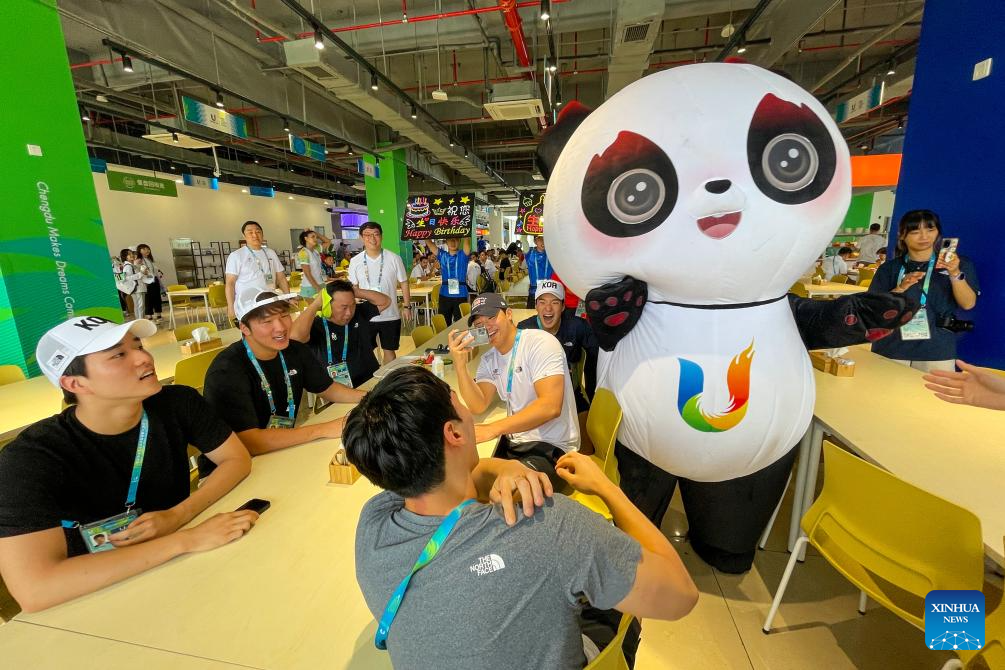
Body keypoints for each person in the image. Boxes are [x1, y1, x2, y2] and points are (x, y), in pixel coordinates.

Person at [346, 366, 698, 670]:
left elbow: (452, 477)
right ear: (453, 433)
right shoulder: (545, 523)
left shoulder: (371, 525)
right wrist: (607, 488)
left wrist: (506, 468)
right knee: (615, 607)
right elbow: (681, 595)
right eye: (459, 403)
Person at [0, 316, 256, 612]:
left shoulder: (177, 403)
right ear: (75, 383)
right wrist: (184, 540)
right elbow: (36, 589)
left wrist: (177, 516)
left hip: (186, 570)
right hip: (95, 596)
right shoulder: (31, 458)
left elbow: (236, 458)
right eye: (119, 355)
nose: (144, 358)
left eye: (139, 346)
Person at [203, 287, 363, 470]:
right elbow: (249, 442)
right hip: (237, 467)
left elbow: (328, 388)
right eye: (267, 321)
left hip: (281, 451)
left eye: (284, 316)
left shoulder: (294, 350)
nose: (281, 327)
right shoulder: (226, 371)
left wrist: (369, 397)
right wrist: (323, 429)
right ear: (244, 328)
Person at [449, 294, 580, 487]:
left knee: (505, 490)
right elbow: (478, 405)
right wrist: (460, 366)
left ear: (509, 314)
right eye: (479, 324)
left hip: (552, 448)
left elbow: (550, 407)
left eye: (491, 317)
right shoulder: (489, 359)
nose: (486, 326)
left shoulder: (540, 343)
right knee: (462, 476)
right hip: (515, 442)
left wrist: (493, 428)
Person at [868, 209, 979, 372]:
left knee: (933, 390)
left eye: (930, 229)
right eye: (915, 231)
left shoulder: (960, 264)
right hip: (891, 348)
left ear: (938, 233)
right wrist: (901, 288)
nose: (924, 236)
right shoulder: (889, 268)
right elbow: (874, 309)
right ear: (902, 235)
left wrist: (955, 273)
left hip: (937, 350)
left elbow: (968, 304)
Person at [517, 280, 598, 449]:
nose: (548, 308)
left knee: (587, 449)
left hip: (572, 396)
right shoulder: (524, 330)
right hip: (536, 399)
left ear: (563, 307)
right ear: (536, 306)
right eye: (542, 302)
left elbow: (595, 360)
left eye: (554, 302)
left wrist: (593, 398)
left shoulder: (577, 326)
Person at [290, 279, 390, 389]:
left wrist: (354, 292)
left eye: (352, 305)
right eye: (344, 307)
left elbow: (385, 301)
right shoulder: (316, 325)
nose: (349, 313)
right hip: (336, 389)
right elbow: (295, 337)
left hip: (370, 381)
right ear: (328, 305)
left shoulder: (358, 313)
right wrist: (316, 304)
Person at [348, 222, 411, 364]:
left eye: (376, 234)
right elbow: (354, 288)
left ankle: (387, 375)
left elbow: (404, 282)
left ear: (381, 236)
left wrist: (407, 306)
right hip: (366, 315)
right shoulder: (355, 261)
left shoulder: (394, 258)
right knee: (366, 352)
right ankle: (372, 376)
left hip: (390, 314)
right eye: (367, 235)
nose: (372, 238)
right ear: (361, 237)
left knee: (390, 351)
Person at [225, 221, 289, 325]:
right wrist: (231, 307)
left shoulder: (270, 253)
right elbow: (230, 283)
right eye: (250, 232)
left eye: (258, 232)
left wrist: (287, 297)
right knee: (252, 331)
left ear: (262, 234)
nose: (255, 235)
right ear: (244, 236)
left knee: (271, 329)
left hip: (269, 301)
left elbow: (281, 278)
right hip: (247, 305)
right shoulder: (236, 255)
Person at [425, 237, 471, 325]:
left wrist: (466, 235)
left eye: (456, 239)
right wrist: (425, 233)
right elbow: (430, 244)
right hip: (444, 295)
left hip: (461, 295)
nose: (453, 242)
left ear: (460, 241)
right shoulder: (442, 255)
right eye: (450, 239)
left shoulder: (463, 254)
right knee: (444, 324)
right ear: (446, 241)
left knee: (461, 324)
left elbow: (467, 242)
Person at [296, 230, 331, 300]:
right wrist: (316, 287)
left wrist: (315, 233)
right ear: (306, 238)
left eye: (316, 237)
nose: (316, 239)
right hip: (310, 286)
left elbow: (328, 242)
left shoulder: (316, 250)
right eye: (312, 237)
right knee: (314, 307)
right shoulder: (303, 252)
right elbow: (307, 273)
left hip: (320, 283)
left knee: (324, 306)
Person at [117, 248, 148, 322]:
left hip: (139, 288)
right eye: (129, 254)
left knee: (140, 306)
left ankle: (140, 321)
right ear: (125, 256)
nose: (132, 255)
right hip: (137, 289)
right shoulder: (128, 266)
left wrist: (143, 273)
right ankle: (140, 322)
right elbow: (127, 278)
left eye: (132, 253)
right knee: (140, 306)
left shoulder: (131, 265)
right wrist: (141, 273)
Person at [136, 244, 164, 323]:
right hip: (146, 282)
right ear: (139, 251)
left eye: (148, 249)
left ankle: (158, 315)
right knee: (148, 299)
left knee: (157, 298)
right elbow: (139, 272)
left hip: (154, 280)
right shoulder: (138, 260)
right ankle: (149, 317)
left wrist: (159, 274)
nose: (147, 250)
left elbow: (154, 270)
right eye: (144, 249)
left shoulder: (150, 259)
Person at [525, 235, 551, 303]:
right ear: (535, 241)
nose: (543, 241)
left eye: (545, 238)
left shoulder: (552, 253)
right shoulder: (530, 253)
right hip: (534, 291)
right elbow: (524, 241)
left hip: (549, 290)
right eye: (540, 238)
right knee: (532, 310)